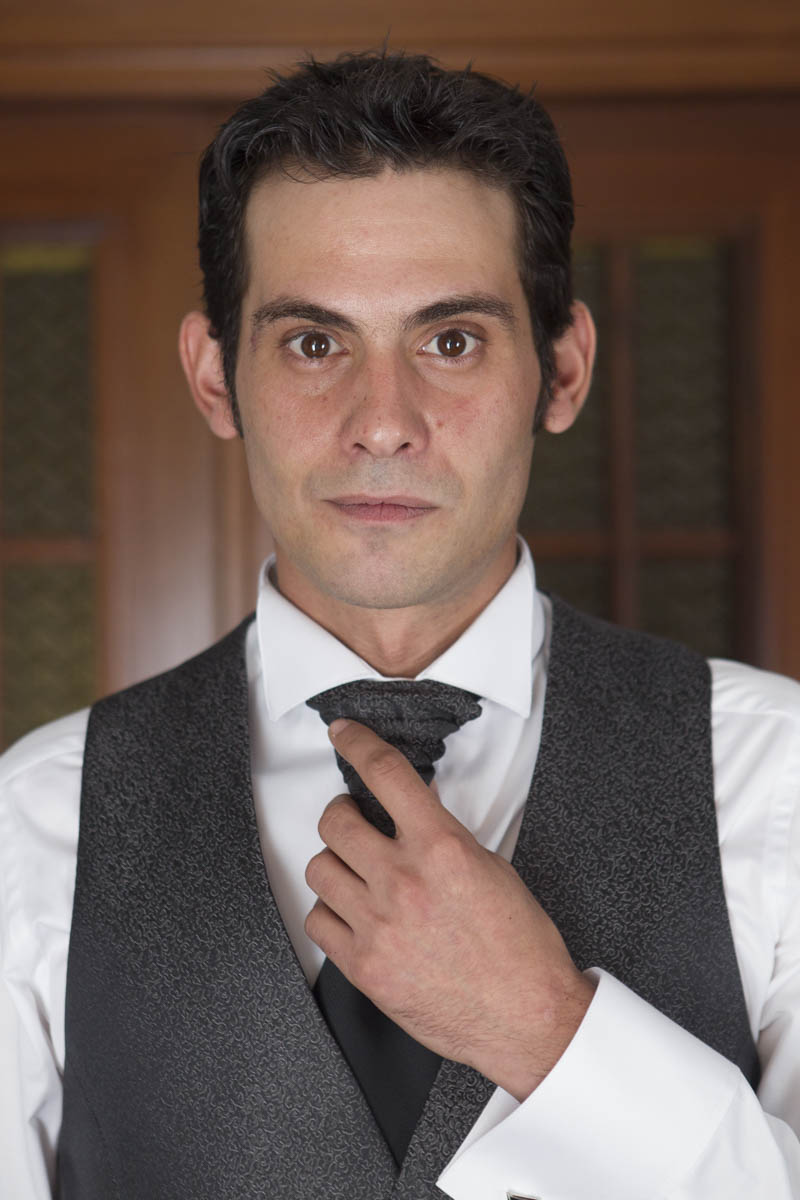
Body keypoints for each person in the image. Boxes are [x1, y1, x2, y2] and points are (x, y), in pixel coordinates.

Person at [1, 49, 799, 1200]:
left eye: (450, 340)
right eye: (313, 342)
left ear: (561, 370)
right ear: (216, 378)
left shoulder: (775, 779)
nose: (382, 422)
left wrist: (546, 1030)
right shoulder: (37, 824)